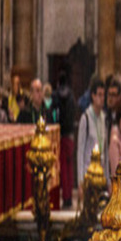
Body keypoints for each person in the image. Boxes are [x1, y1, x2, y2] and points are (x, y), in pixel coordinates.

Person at [77, 76, 107, 189]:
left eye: (103, 95)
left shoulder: (104, 118)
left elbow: (105, 149)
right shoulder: (85, 118)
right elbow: (80, 152)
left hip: (101, 174)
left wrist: (107, 179)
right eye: (99, 95)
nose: (102, 98)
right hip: (88, 173)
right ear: (93, 96)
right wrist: (80, 180)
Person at [55, 71, 77, 209]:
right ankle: (69, 197)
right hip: (70, 135)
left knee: (62, 168)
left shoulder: (57, 96)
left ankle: (64, 197)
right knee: (69, 167)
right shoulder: (71, 98)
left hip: (60, 134)